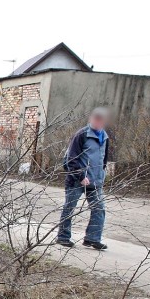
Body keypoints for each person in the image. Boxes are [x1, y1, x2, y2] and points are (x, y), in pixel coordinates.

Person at [56, 107, 111, 250]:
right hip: (77, 180)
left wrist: (101, 175)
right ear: (91, 119)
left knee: (99, 208)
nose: (98, 122)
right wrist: (81, 176)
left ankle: (92, 239)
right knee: (70, 207)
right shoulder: (81, 135)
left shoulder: (104, 137)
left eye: (101, 120)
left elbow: (103, 159)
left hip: (95, 181)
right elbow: (71, 159)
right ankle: (63, 237)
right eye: (96, 119)